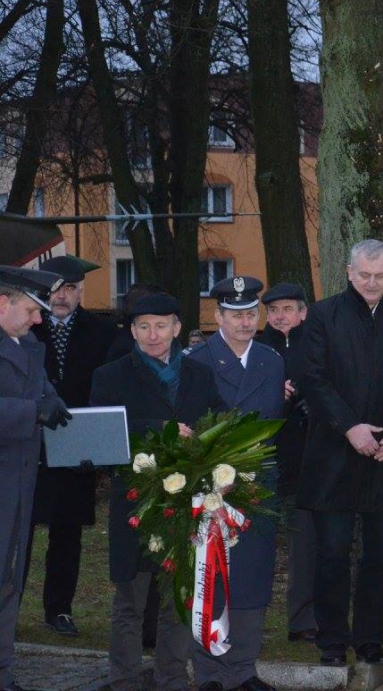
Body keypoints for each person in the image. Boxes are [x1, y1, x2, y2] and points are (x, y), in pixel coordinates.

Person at [297, 240, 383, 668]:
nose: (372, 283)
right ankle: (332, 641)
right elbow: (312, 378)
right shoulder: (322, 315)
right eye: (364, 275)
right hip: (334, 454)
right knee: (332, 554)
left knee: (382, 555)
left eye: (380, 275)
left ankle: (370, 639)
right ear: (350, 272)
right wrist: (349, 426)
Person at [90, 295, 227, 691]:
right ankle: (124, 680)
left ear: (177, 328)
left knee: (178, 599)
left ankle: (172, 678)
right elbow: (102, 433)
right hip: (136, 504)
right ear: (132, 331)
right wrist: (160, 430)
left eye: (161, 325)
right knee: (130, 601)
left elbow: (220, 422)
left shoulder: (200, 374)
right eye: (144, 326)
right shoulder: (110, 375)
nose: (153, 335)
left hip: (186, 504)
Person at [184, 277, 284, 691]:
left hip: (257, 485)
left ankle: (243, 669)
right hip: (210, 487)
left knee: (252, 576)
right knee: (210, 573)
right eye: (235, 314)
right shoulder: (197, 361)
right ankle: (209, 671)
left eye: (251, 313)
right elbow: (188, 426)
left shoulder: (271, 360)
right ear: (217, 316)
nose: (245, 322)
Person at [26, 256, 115, 637]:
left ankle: (59, 609)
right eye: (56, 289)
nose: (62, 297)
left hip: (78, 445)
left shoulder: (103, 331)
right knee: (19, 531)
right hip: (31, 441)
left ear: (81, 292)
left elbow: (108, 388)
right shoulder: (26, 326)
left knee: (68, 533)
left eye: (71, 289)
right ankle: (8, 606)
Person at [0, 265, 70, 691]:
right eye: (30, 310)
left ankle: (3, 672)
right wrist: (33, 412)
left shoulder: (27, 346)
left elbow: (43, 391)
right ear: (2, 304)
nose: (38, 319)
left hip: (20, 485)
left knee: (10, 582)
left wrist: (53, 402)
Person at [256, 282, 316, 644]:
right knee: (254, 544)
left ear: (303, 313)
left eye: (288, 309)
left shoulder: (316, 349)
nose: (280, 317)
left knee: (304, 546)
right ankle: (250, 618)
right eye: (274, 310)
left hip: (304, 461)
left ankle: (302, 619)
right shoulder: (257, 349)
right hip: (262, 461)